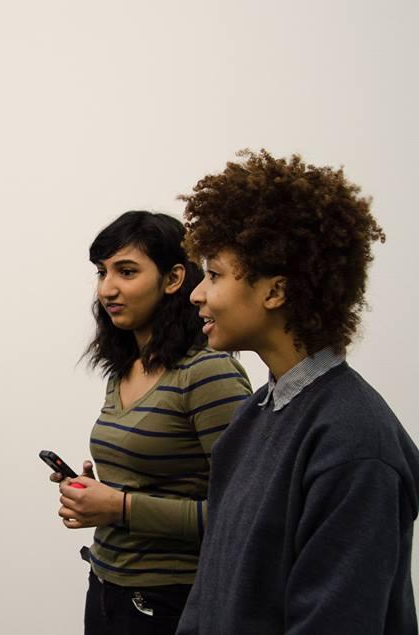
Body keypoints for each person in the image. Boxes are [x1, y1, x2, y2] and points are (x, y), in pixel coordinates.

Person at [176, 150, 419, 634]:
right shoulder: (255, 415)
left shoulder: (355, 445)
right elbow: (210, 591)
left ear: (275, 292)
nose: (196, 293)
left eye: (215, 275)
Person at [52, 211, 252, 634]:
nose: (107, 288)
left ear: (174, 278)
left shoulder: (209, 372)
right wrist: (95, 492)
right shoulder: (124, 368)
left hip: (170, 600)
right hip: (106, 584)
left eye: (126, 271)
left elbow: (244, 515)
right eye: (101, 272)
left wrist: (119, 506)